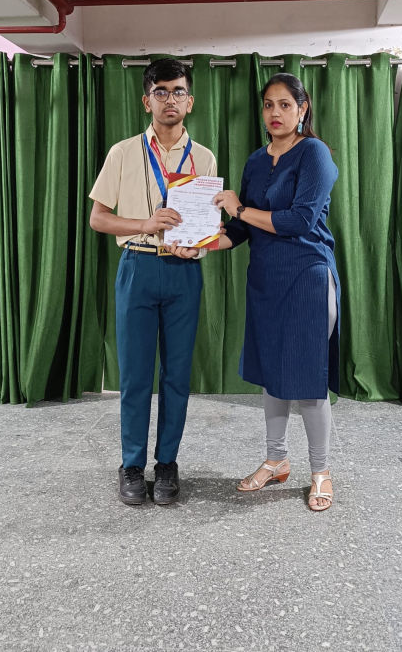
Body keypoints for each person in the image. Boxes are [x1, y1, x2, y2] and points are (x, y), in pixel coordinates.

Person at [89, 58, 217, 506]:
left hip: (183, 273)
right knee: (136, 374)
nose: (170, 100)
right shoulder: (123, 152)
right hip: (138, 267)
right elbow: (98, 218)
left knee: (177, 375)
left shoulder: (203, 158)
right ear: (147, 101)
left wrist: (196, 247)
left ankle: (167, 463)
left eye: (178, 91)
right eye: (160, 92)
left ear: (190, 101)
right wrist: (144, 223)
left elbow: (205, 227)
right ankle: (131, 464)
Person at [213, 73, 339, 512]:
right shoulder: (254, 161)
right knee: (272, 375)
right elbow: (240, 229)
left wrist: (240, 208)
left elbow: (299, 220)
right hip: (265, 279)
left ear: (302, 109)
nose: (275, 113)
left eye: (285, 104)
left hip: (307, 276)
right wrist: (200, 245)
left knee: (308, 379)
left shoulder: (315, 153)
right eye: (269, 104)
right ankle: (276, 460)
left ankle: (321, 471)